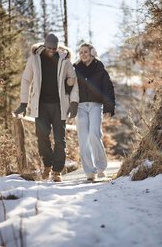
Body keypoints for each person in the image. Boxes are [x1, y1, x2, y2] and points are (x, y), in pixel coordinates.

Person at [14, 33, 79, 182]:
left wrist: (74, 102)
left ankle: (57, 171)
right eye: (49, 48)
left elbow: (74, 82)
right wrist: (24, 103)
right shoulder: (34, 60)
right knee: (42, 138)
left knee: (60, 140)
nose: (52, 51)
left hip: (59, 106)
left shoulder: (65, 61)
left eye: (55, 48)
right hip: (40, 106)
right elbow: (26, 80)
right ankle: (47, 166)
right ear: (44, 45)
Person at [73, 43, 115, 181]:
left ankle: (101, 168)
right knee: (83, 138)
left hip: (95, 105)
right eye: (81, 52)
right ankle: (89, 172)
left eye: (85, 52)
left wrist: (109, 108)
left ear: (92, 53)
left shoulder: (100, 69)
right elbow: (68, 89)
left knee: (94, 134)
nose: (83, 54)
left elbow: (108, 89)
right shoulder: (75, 68)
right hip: (80, 106)